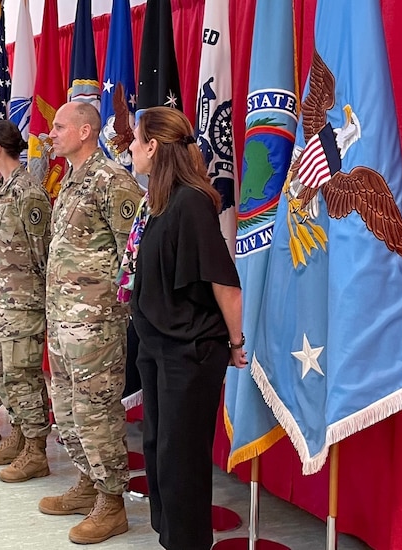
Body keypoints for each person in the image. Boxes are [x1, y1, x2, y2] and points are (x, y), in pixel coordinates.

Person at [127, 106, 247, 550]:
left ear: (155, 146)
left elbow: (224, 283)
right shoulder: (160, 200)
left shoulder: (190, 202)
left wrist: (237, 343)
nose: (131, 148)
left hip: (189, 351)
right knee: (159, 448)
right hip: (157, 345)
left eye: (136, 140)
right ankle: (170, 538)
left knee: (181, 460)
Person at [41, 102, 143, 544]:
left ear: (86, 131)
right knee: (66, 408)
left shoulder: (112, 181)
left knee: (95, 410)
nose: (51, 132)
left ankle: (111, 501)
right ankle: (86, 482)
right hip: (63, 319)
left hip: (96, 323)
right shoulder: (69, 181)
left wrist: (117, 308)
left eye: (60, 126)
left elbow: (135, 252)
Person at [0, 120, 53, 483]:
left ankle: (37, 450)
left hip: (22, 303)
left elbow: (43, 255)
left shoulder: (28, 193)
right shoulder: (0, 189)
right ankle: (20, 437)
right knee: (3, 373)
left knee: (22, 375)